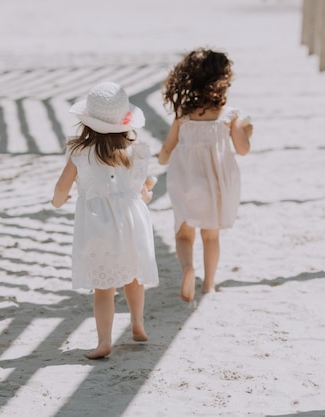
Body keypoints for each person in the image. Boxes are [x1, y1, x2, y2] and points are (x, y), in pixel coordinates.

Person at [52, 81, 159, 359]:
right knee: (133, 277)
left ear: (87, 122)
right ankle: (137, 322)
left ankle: (103, 341)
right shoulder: (136, 151)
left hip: (98, 226)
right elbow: (142, 190)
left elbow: (62, 187)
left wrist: (58, 201)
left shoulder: (80, 153)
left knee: (104, 289)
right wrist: (146, 193)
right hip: (131, 223)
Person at [156, 48, 253, 303]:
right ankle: (208, 285)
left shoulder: (184, 115)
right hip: (215, 185)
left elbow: (167, 149)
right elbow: (242, 150)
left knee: (183, 234)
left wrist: (160, 159)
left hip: (186, 181)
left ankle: (188, 268)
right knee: (210, 236)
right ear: (224, 81)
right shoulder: (229, 115)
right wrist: (244, 130)